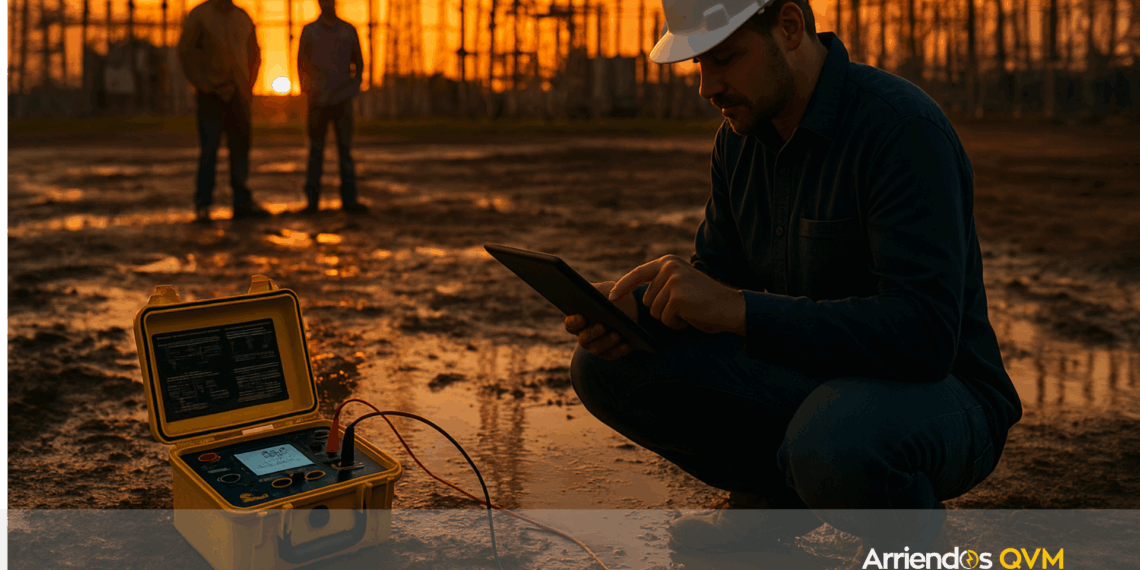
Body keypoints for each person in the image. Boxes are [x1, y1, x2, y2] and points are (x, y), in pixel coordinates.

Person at [565, 0, 1022, 562]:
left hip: (945, 397)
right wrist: (645, 307)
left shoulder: (901, 129)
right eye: (697, 67)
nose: (708, 87)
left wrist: (738, 310)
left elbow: (924, 338)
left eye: (725, 58)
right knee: (608, 368)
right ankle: (770, 500)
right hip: (817, 387)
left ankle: (914, 547)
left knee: (833, 439)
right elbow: (721, 283)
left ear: (788, 27)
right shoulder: (739, 138)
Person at [177, 0, 271, 222]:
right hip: (211, 95)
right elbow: (186, 53)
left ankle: (241, 202)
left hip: (239, 94)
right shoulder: (199, 16)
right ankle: (203, 204)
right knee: (209, 150)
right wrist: (204, 85)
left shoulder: (242, 17)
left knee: (240, 149)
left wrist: (247, 85)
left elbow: (254, 52)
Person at [297, 0, 368, 213]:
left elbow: (359, 63)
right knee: (315, 151)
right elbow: (301, 63)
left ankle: (349, 200)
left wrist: (353, 87)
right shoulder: (309, 31)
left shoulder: (348, 31)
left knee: (345, 150)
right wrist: (308, 90)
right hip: (317, 101)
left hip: (342, 100)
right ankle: (312, 202)